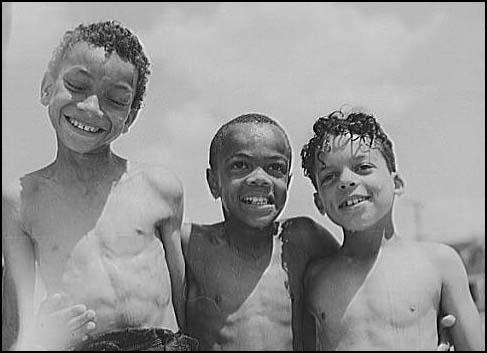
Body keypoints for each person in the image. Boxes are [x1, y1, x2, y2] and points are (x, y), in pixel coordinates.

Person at [162, 113, 456, 351]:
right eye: (240, 165)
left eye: (275, 167)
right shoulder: (190, 245)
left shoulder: (302, 240)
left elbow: (368, 282)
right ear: (213, 181)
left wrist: (426, 331)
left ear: (288, 182)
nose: (259, 178)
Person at [2, 21, 196, 351]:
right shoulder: (21, 200)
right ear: (47, 87)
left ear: (131, 117)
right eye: (77, 85)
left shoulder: (160, 188)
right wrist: (45, 331)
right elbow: (14, 326)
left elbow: (185, 301)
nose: (91, 108)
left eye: (116, 100)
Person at [300, 108, 484, 350]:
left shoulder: (440, 263)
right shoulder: (315, 278)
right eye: (329, 177)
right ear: (319, 202)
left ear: (396, 183)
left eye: (363, 167)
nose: (345, 180)